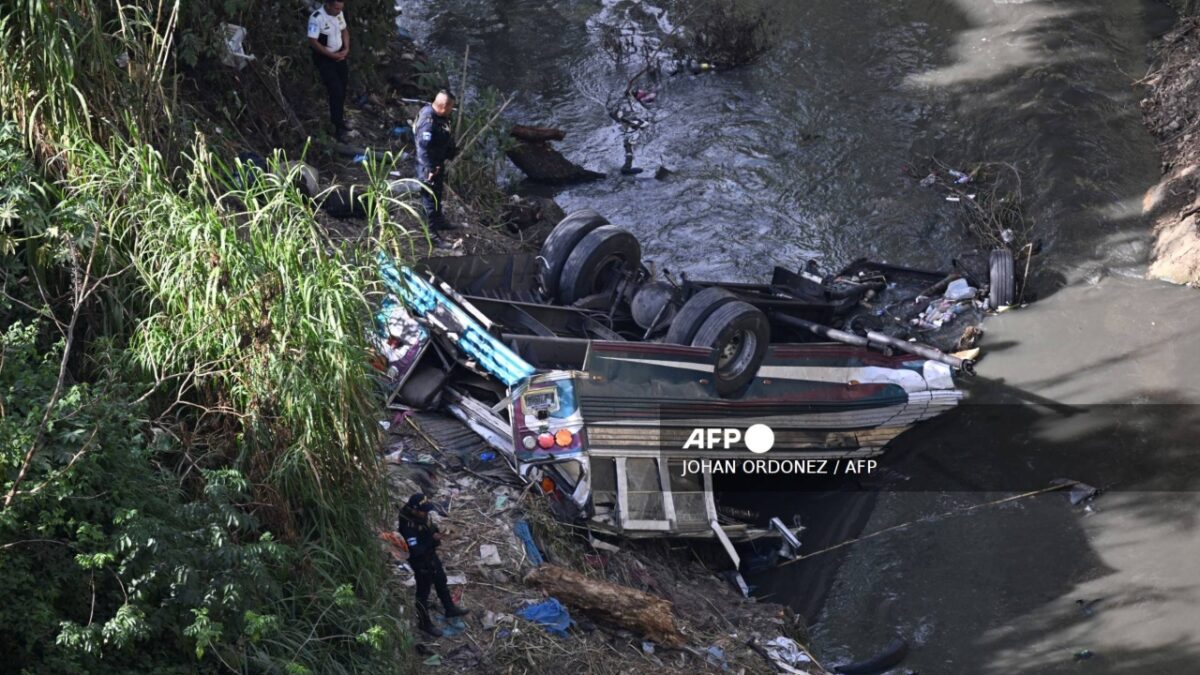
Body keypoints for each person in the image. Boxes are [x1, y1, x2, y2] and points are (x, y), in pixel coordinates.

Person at [398, 493, 469, 636]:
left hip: (430, 556)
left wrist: (436, 533)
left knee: (441, 580)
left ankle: (450, 608)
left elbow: (429, 527)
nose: (426, 513)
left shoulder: (421, 516)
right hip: (420, 562)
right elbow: (415, 550)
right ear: (414, 510)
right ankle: (425, 624)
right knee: (422, 594)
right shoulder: (408, 525)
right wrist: (433, 540)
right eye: (423, 511)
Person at [414, 91, 459, 232]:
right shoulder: (428, 122)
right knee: (428, 199)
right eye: (451, 107)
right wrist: (430, 170)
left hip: (437, 163)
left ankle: (439, 221)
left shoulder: (440, 116)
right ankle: (431, 234)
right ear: (444, 107)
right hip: (428, 166)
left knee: (437, 194)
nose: (452, 110)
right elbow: (423, 149)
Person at [308, 1, 351, 141]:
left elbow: (344, 30)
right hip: (325, 59)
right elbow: (313, 42)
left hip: (340, 56)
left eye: (341, 8)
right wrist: (331, 55)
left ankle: (340, 120)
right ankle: (337, 127)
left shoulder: (339, 14)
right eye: (336, 8)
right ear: (328, 5)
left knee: (342, 89)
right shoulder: (317, 18)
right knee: (336, 90)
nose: (339, 11)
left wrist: (346, 49)